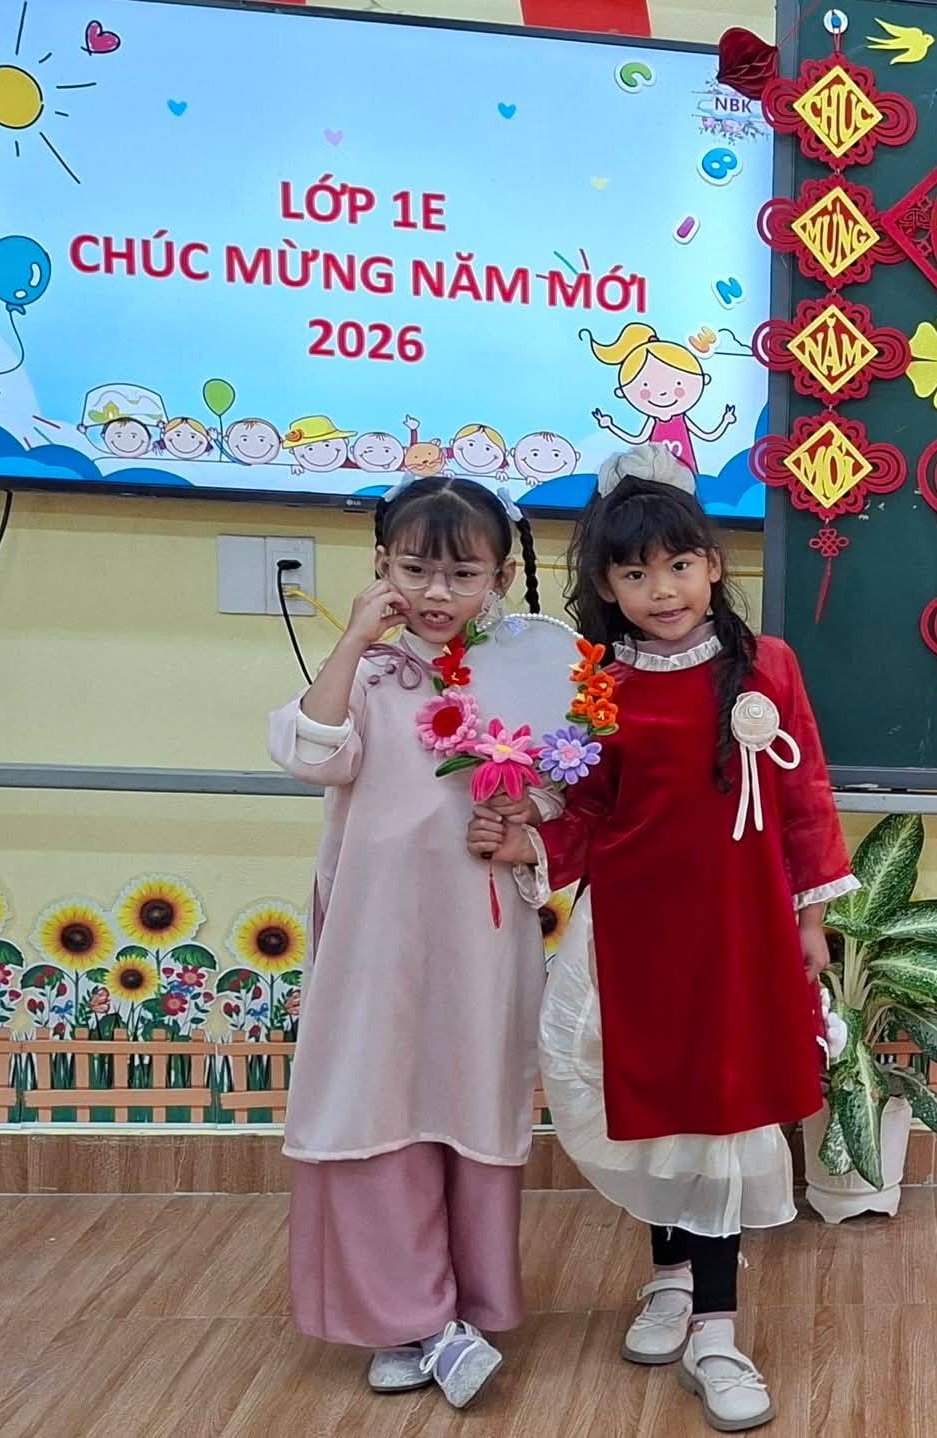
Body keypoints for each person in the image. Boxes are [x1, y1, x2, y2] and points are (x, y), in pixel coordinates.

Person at [471, 445, 853, 1433]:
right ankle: (671, 1278)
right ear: (606, 586)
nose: (662, 589)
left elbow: (805, 796)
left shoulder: (766, 667)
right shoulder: (597, 683)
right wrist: (526, 837)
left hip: (737, 933)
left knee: (720, 1111)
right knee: (645, 1093)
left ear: (712, 564)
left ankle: (717, 1335)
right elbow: (589, 810)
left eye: (679, 565)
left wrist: (811, 918)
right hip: (630, 930)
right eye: (635, 573)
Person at [268, 473, 552, 1411]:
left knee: (467, 1093)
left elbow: (565, 791)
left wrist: (524, 823)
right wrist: (354, 639)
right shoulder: (371, 678)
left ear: (498, 577)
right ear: (382, 567)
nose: (437, 592)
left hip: (481, 931)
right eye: (415, 569)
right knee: (378, 1096)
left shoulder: (527, 673)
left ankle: (459, 1311)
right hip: (375, 935)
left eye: (462, 574)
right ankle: (406, 1320)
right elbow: (311, 752)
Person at [585, 324, 737, 474]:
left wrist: (725, 421)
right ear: (623, 392)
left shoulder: (681, 419)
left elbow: (708, 435)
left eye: (678, 383)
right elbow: (637, 440)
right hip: (654, 480)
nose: (663, 393)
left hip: (687, 477)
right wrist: (610, 425)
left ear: (703, 379)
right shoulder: (654, 422)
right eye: (645, 386)